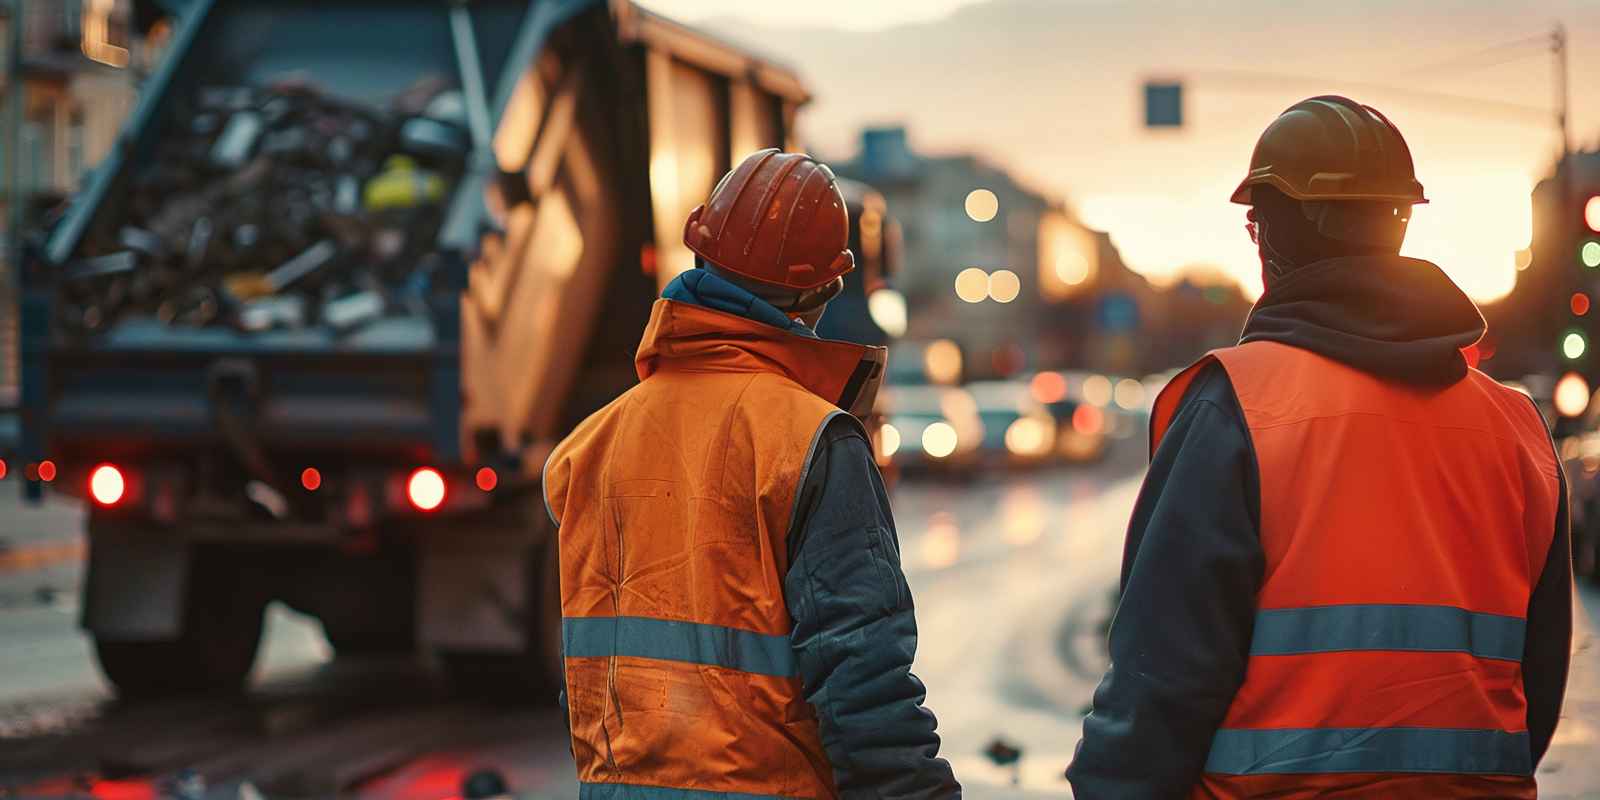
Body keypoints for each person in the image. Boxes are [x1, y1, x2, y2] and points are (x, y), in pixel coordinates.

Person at [1066, 96, 1571, 798]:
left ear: (1274, 230)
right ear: (1397, 223)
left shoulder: (1236, 406)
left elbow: (1160, 683)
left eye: (1254, 221)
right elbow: (1536, 684)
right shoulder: (1516, 428)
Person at [544, 149, 960, 799]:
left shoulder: (589, 446)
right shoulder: (810, 438)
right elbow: (863, 675)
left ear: (699, 252)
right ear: (826, 286)